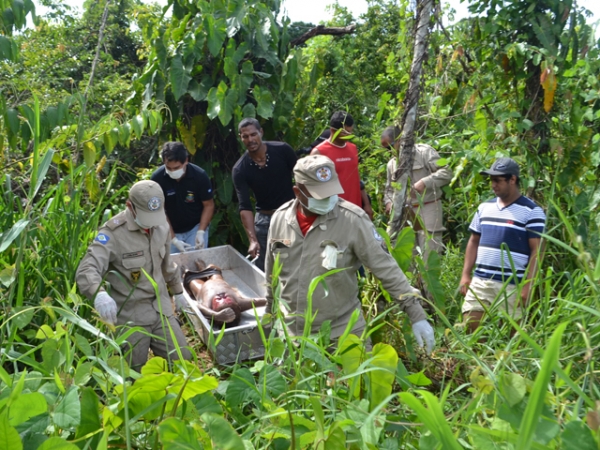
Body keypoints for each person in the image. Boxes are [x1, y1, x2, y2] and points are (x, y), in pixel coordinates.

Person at [265, 155, 435, 352]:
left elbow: (385, 267)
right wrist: (269, 320)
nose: (328, 200)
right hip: (292, 335)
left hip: (342, 333)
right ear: (298, 191)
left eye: (331, 192)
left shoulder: (352, 219)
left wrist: (416, 314)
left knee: (358, 381)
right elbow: (272, 277)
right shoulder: (280, 219)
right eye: (320, 195)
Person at [76, 180, 192, 371]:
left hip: (160, 308)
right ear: (130, 206)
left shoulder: (161, 226)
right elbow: (87, 269)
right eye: (147, 216)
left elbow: (166, 265)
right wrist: (99, 294)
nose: (152, 223)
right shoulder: (112, 234)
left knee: (184, 362)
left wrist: (178, 292)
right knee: (132, 372)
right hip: (131, 316)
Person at [459, 158, 546, 332]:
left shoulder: (531, 211)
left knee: (513, 338)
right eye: (491, 180)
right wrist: (466, 275)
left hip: (512, 284)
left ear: (512, 180)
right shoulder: (484, 207)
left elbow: (538, 250)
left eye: (497, 180)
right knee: (471, 329)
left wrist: (528, 285)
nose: (493, 185)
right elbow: (473, 241)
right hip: (481, 280)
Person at [232, 118, 297, 272]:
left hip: (291, 214)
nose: (250, 140)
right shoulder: (240, 169)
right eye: (245, 136)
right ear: (241, 138)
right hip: (265, 220)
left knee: (294, 260)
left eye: (253, 134)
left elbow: (303, 179)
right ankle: (267, 296)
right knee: (265, 267)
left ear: (261, 132)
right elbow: (245, 206)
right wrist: (252, 240)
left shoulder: (283, 150)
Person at [381, 126, 452, 260]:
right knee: (408, 258)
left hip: (428, 206)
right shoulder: (391, 164)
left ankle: (425, 281)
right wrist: (389, 202)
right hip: (406, 212)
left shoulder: (424, 152)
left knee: (430, 253)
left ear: (400, 140)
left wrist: (425, 182)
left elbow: (446, 173)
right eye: (386, 149)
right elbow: (389, 189)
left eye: (391, 146)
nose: (390, 151)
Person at [151, 141, 214, 254]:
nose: (172, 172)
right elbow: (160, 211)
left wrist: (201, 232)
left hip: (195, 227)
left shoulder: (199, 176)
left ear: (186, 161)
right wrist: (173, 239)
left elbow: (208, 205)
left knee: (197, 261)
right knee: (172, 266)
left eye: (176, 168)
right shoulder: (157, 179)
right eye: (168, 168)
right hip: (169, 228)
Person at [311, 112, 374, 219]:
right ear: (333, 131)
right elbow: (312, 187)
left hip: (355, 210)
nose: (349, 135)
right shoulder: (319, 153)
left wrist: (367, 204)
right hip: (332, 214)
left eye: (350, 131)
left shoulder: (353, 148)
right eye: (345, 133)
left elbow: (357, 179)